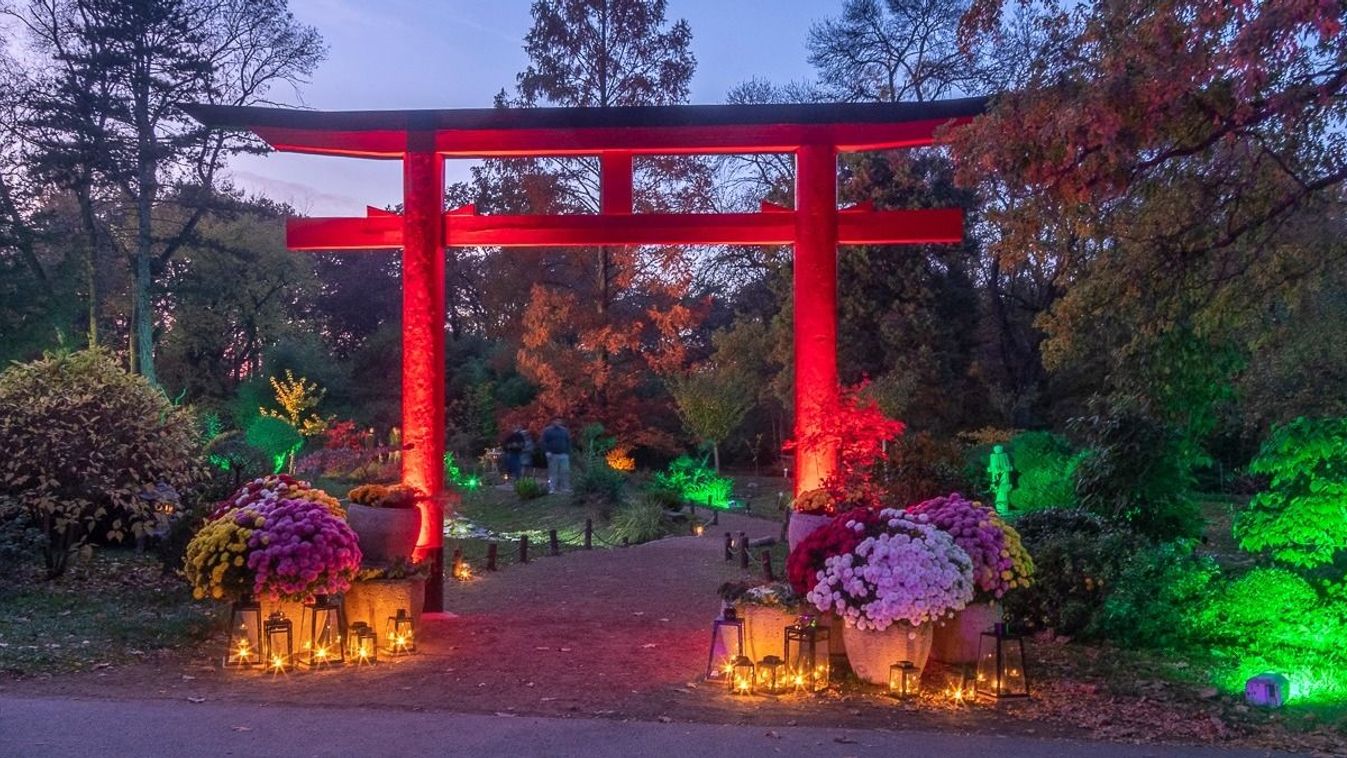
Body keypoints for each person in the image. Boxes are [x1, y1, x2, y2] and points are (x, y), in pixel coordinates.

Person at [541, 419, 572, 494]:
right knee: (553, 472)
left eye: (559, 421)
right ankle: (552, 488)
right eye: (556, 421)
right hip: (552, 454)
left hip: (564, 454)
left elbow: (568, 441)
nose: (557, 422)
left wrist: (568, 452)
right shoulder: (547, 431)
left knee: (565, 471)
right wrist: (547, 451)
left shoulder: (564, 431)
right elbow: (543, 442)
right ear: (552, 421)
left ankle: (565, 487)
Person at [987, 444, 1015, 516]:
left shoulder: (1004, 455)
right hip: (996, 477)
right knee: (999, 492)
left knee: (1003, 492)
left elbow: (1008, 466)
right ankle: (1000, 509)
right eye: (997, 449)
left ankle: (1004, 509)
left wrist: (1005, 469)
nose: (998, 450)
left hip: (1004, 478)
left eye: (999, 449)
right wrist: (994, 469)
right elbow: (992, 467)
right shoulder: (992, 456)